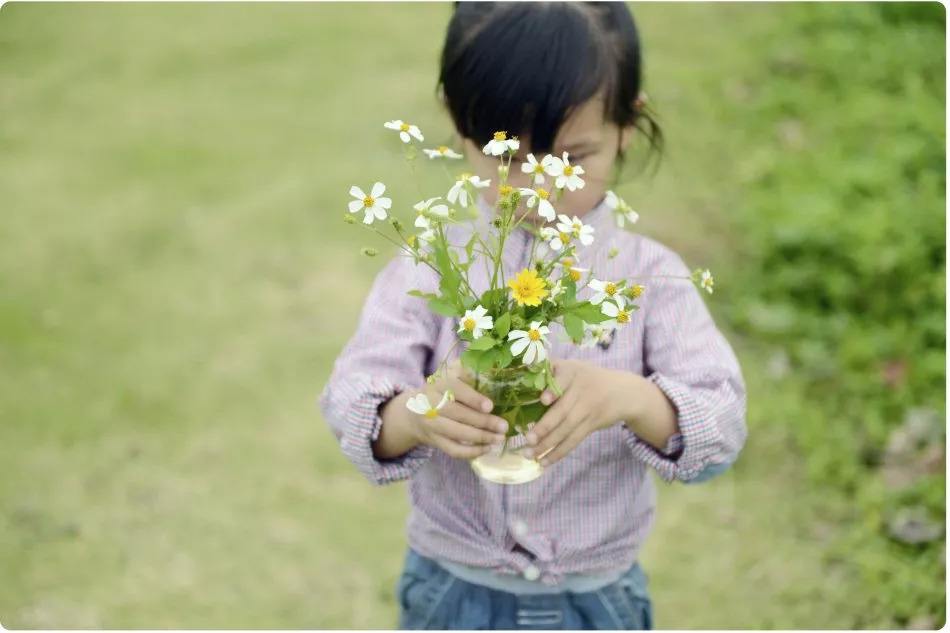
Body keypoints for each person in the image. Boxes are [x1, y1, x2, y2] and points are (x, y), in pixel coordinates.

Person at [319, 2, 748, 629]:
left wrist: (630, 399)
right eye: (511, 159)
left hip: (596, 600)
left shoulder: (651, 277)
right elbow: (351, 401)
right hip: (452, 593)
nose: (542, 188)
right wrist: (417, 414)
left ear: (628, 125)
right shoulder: (431, 264)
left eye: (573, 159)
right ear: (459, 123)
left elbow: (722, 430)